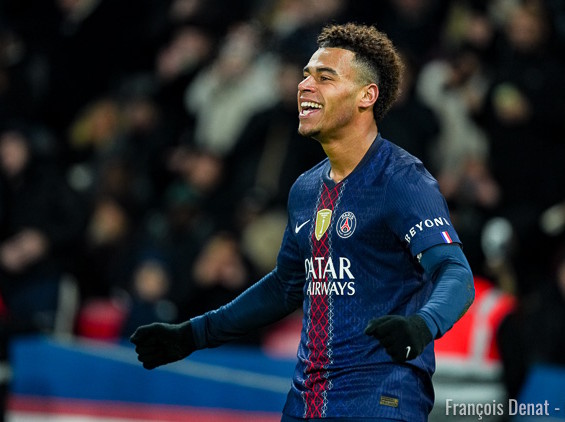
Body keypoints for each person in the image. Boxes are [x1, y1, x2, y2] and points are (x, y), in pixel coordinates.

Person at [131, 23, 475, 421]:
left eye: (325, 78)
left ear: (366, 96)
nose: (305, 86)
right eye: (306, 75)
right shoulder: (306, 189)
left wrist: (421, 325)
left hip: (379, 397)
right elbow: (285, 286)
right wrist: (192, 334)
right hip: (305, 400)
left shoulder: (402, 180)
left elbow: (455, 271)